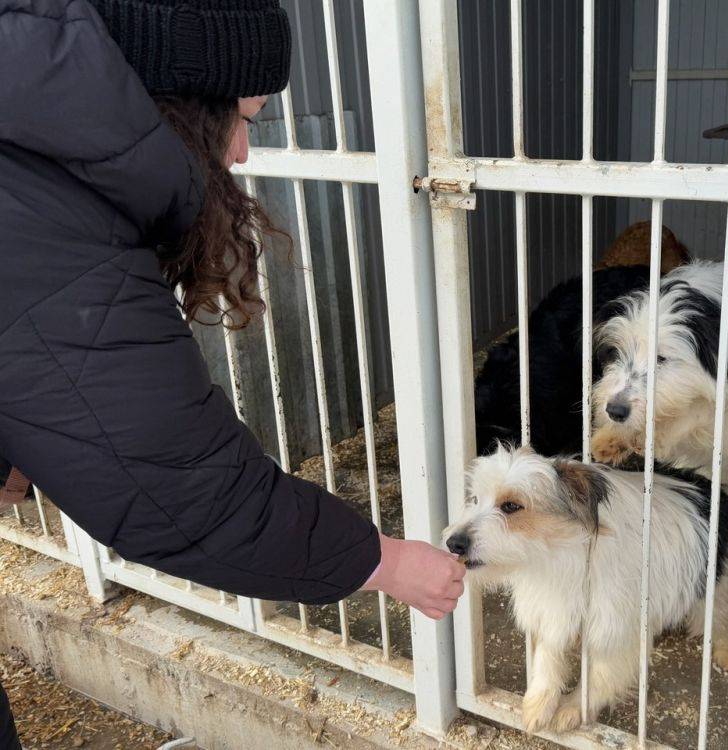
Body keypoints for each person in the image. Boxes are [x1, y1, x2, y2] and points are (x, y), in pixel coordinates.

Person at [0, 1, 465, 746]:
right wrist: (384, 561)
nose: (243, 153)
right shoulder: (41, 217)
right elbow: (178, 492)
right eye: (244, 117)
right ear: (173, 103)